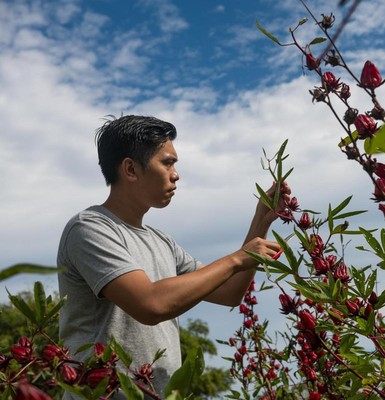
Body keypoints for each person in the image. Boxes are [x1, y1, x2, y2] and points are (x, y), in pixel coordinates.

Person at [57, 115, 290, 397]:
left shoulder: (163, 242)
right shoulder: (89, 229)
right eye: (167, 162)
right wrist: (237, 258)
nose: (175, 174)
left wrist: (260, 221)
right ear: (131, 169)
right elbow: (150, 304)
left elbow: (229, 292)